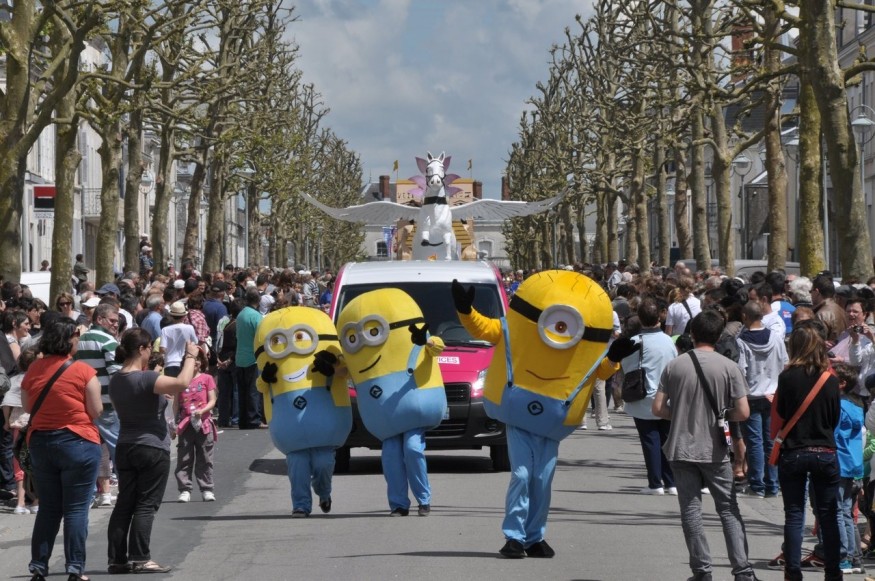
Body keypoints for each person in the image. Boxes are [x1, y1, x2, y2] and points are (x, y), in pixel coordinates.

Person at [652, 310, 758, 581]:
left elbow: (658, 408)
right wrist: (721, 415)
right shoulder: (729, 368)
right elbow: (743, 412)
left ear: (692, 333)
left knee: (691, 510)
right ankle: (742, 569)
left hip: (681, 447)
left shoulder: (675, 366)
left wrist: (681, 414)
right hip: (714, 449)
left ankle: (701, 570)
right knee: (728, 509)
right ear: (719, 335)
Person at [106, 328, 199, 575]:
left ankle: (117, 559)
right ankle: (141, 557)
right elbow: (182, 383)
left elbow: (131, 403)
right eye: (149, 348)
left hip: (125, 445)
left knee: (124, 503)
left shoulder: (116, 380)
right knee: (146, 504)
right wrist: (190, 356)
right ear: (141, 349)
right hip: (151, 446)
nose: (151, 352)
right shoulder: (146, 378)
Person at [22, 317, 102, 581]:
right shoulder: (83, 371)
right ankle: (75, 568)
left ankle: (38, 567)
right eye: (76, 335)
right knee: (76, 509)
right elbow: (96, 410)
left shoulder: (34, 369)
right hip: (78, 441)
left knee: (48, 509)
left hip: (41, 442)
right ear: (68, 339)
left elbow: (27, 406)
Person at [774, 323, 843, 581]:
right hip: (824, 450)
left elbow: (781, 411)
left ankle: (792, 572)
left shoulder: (786, 377)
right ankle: (833, 572)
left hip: (793, 450)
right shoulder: (830, 379)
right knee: (828, 515)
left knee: (794, 514)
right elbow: (834, 418)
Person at [617, 297, 677, 494]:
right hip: (666, 396)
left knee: (650, 440)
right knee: (666, 440)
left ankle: (655, 483)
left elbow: (626, 366)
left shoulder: (634, 342)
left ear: (640, 318)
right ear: (659, 317)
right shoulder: (669, 341)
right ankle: (671, 482)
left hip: (643, 396)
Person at [735, 300, 787, 498]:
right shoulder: (775, 337)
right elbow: (785, 363)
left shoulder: (741, 341)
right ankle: (772, 485)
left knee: (754, 442)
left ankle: (757, 485)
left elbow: (741, 370)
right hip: (773, 395)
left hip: (752, 396)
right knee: (771, 440)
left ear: (745, 317)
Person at [74, 303, 122, 508]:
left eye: (117, 321)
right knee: (118, 448)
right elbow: (116, 375)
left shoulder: (80, 340)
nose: (115, 324)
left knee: (94, 450)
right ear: (99, 319)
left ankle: (95, 492)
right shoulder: (108, 341)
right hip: (108, 404)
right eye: (112, 320)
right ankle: (127, 488)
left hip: (87, 404)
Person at [173, 347, 217, 503]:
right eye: (193, 359)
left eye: (199, 359)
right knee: (184, 457)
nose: (196, 362)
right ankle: (184, 489)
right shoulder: (180, 380)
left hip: (203, 423)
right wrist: (174, 423)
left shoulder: (207, 378)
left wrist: (202, 411)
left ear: (202, 362)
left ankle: (207, 489)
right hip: (185, 424)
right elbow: (176, 404)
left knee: (205, 457)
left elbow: (212, 400)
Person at [235, 288, 266, 429]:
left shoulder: (241, 314)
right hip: (253, 358)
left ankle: (243, 420)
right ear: (258, 300)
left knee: (242, 391)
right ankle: (254, 419)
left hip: (240, 357)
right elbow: (261, 337)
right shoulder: (256, 316)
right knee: (254, 391)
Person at [159, 301, 197, 378]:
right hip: (184, 362)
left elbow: (162, 349)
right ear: (184, 316)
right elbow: (195, 342)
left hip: (169, 363)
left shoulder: (165, 330)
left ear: (171, 316)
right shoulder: (189, 328)